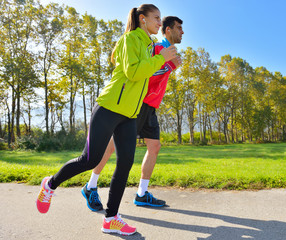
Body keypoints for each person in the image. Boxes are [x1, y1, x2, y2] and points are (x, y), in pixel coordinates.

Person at [36, 4, 177, 236]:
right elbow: (133, 72)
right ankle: (50, 184)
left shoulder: (150, 44)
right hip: (110, 107)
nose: (160, 23)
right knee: (89, 160)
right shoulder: (129, 39)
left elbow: (147, 73)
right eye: (156, 18)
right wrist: (160, 59)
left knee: (125, 163)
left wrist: (162, 61)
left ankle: (111, 218)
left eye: (161, 19)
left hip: (130, 114)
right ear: (142, 19)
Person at [81, 16, 184, 211]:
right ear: (168, 30)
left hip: (151, 106)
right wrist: (170, 66)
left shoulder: (168, 50)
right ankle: (91, 186)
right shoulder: (156, 47)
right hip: (139, 103)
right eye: (179, 28)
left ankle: (142, 194)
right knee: (111, 146)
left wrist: (170, 65)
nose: (182, 32)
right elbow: (144, 73)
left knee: (154, 147)